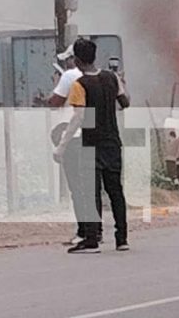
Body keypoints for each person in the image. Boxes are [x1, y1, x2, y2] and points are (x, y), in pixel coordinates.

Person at [53, 39, 131, 254]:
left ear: (77, 61)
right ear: (94, 56)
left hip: (91, 143)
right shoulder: (111, 78)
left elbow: (78, 118)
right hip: (112, 142)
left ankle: (91, 239)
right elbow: (125, 103)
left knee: (91, 192)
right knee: (116, 191)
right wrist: (121, 83)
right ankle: (122, 238)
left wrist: (61, 146)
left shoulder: (80, 85)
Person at [47, 44, 103, 246]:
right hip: (93, 137)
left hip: (73, 138)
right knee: (91, 186)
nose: (66, 63)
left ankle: (84, 230)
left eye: (68, 59)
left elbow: (55, 102)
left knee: (77, 188)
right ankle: (96, 230)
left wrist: (56, 84)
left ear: (75, 59)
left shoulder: (69, 76)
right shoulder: (100, 76)